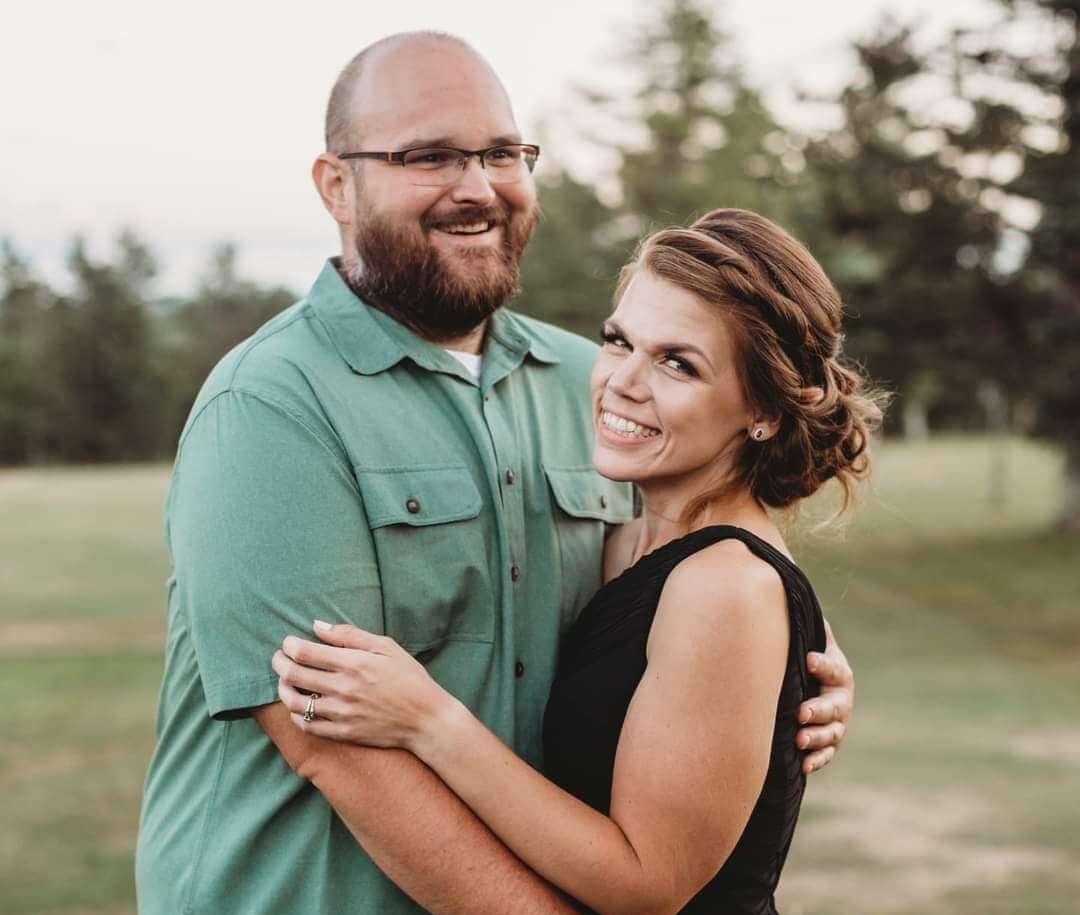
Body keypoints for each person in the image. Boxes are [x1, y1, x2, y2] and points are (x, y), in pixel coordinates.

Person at [135, 32, 854, 915]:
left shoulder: (585, 383)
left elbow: (698, 566)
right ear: (336, 186)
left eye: (501, 152)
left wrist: (795, 662)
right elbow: (332, 743)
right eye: (428, 155)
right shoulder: (270, 407)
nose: (476, 186)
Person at [273, 207, 883, 914]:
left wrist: (428, 720)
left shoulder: (727, 586)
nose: (623, 381)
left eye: (677, 363)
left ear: (764, 412)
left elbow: (645, 883)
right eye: (618, 341)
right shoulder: (630, 541)